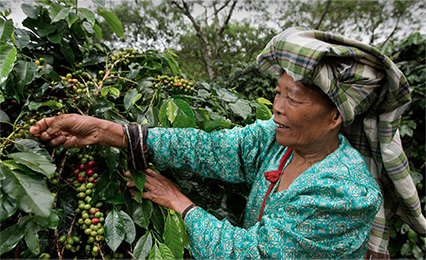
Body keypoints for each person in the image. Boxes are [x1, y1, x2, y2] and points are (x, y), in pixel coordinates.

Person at [29, 27, 425, 259]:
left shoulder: (346, 193)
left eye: (293, 98)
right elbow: (211, 148)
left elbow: (252, 255)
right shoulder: (278, 141)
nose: (277, 108)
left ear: (335, 116)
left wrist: (181, 204)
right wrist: (107, 131)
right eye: (278, 92)